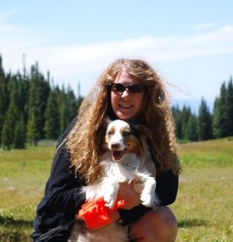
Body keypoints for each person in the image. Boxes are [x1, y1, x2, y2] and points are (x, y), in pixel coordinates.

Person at [31, 58, 181, 242]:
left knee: (163, 221)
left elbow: (167, 191)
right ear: (108, 90)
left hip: (115, 230)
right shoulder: (82, 129)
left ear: (147, 93)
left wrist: (120, 213)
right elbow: (57, 195)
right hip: (66, 231)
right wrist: (107, 198)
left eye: (134, 88)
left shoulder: (155, 131)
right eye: (118, 88)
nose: (125, 95)